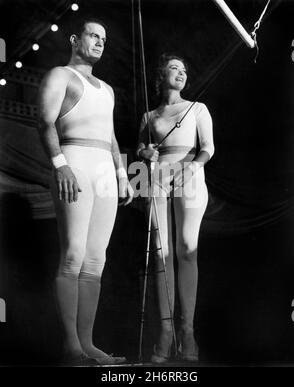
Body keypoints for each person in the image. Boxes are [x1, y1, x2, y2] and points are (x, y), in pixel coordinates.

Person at [38, 17, 133, 366]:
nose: (99, 42)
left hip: (104, 170)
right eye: (93, 36)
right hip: (74, 160)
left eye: (104, 39)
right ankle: (70, 347)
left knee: (96, 260)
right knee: (73, 255)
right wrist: (60, 164)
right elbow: (45, 122)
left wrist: (122, 173)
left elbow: (110, 136)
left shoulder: (106, 89)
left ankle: (88, 344)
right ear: (75, 39)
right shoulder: (60, 75)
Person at [137, 54, 214, 363]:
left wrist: (192, 166)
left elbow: (208, 147)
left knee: (186, 249)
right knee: (160, 254)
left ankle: (188, 331)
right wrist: (145, 151)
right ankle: (166, 332)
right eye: (174, 68)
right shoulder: (148, 115)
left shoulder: (197, 109)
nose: (181, 73)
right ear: (162, 75)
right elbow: (141, 151)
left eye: (184, 69)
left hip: (190, 177)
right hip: (155, 180)